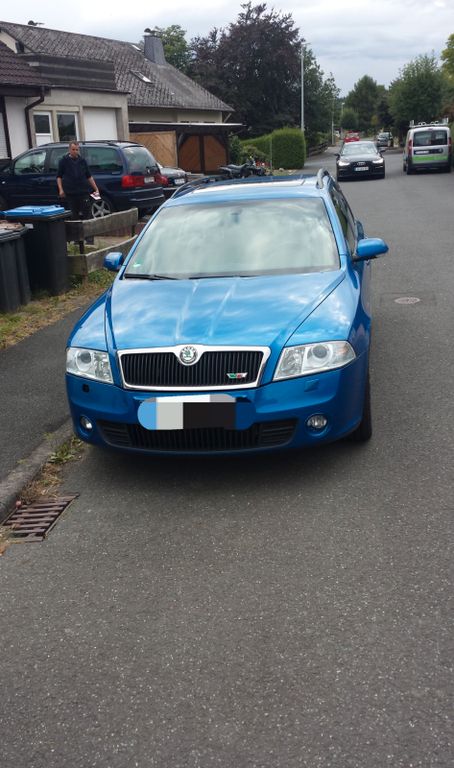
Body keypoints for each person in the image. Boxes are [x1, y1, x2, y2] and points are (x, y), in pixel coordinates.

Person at [56, 141, 100, 220]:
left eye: (77, 150)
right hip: (71, 193)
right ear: (69, 149)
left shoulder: (82, 161)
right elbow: (59, 177)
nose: (75, 151)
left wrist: (96, 189)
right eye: (73, 149)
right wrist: (61, 189)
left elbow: (89, 176)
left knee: (87, 214)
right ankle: (75, 227)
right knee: (74, 215)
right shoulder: (63, 161)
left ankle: (87, 227)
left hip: (83, 192)